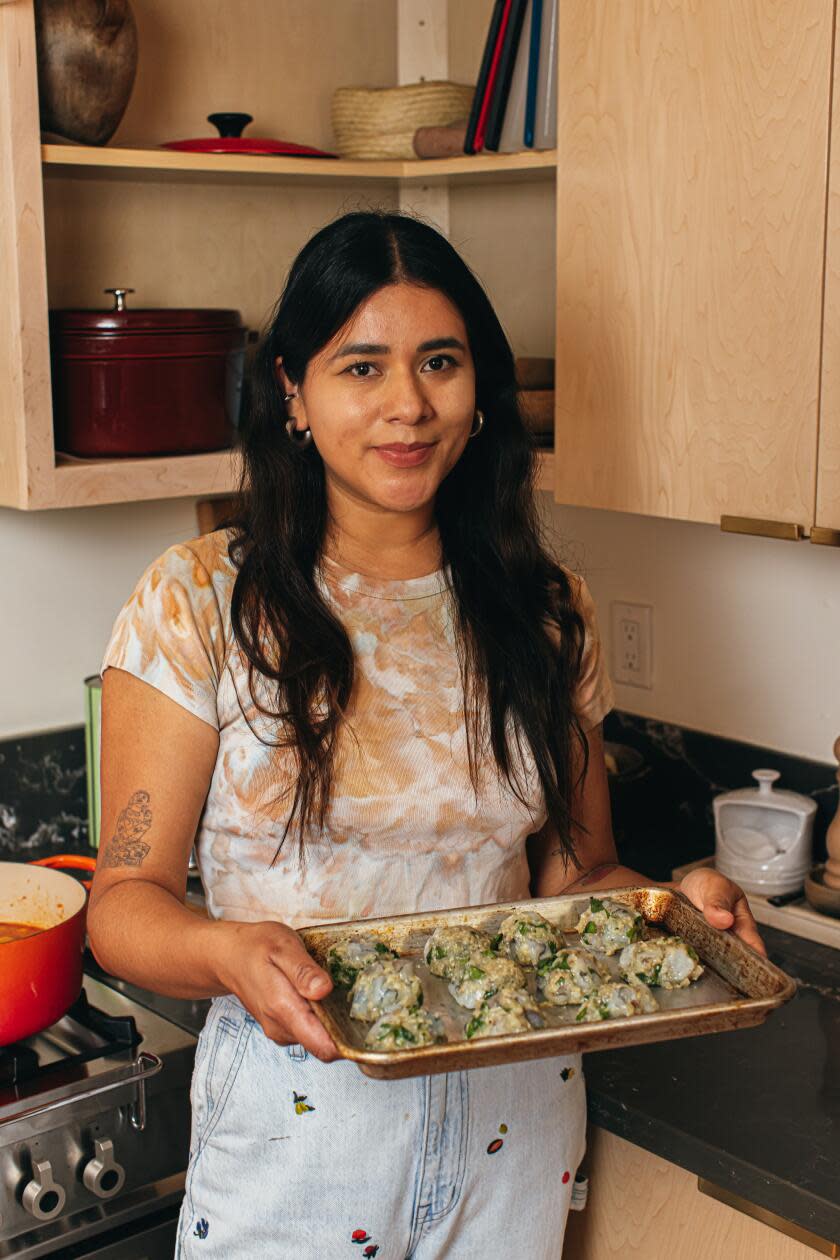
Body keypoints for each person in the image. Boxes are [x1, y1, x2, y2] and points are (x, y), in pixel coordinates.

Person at [87, 211, 764, 1259]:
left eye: (439, 362)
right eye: (362, 366)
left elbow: (575, 877)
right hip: (303, 1123)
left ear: (477, 389)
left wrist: (672, 910)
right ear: (291, 393)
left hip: (519, 1115)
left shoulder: (548, 611)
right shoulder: (200, 601)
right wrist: (227, 951)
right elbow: (122, 908)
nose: (409, 405)